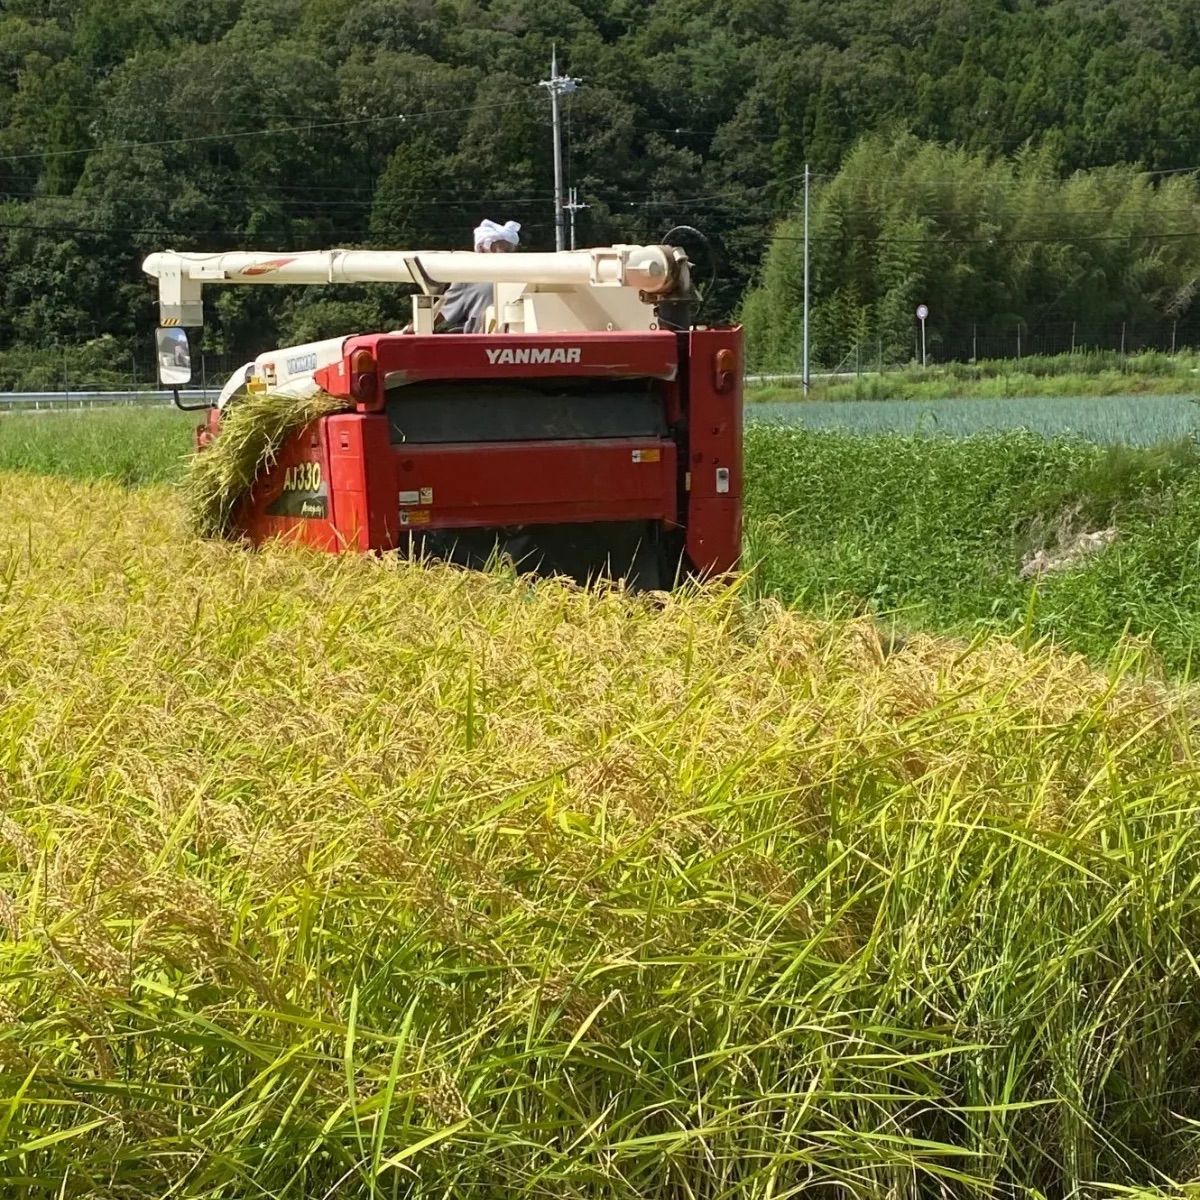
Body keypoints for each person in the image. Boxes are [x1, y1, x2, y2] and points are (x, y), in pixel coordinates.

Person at [435, 219, 521, 333]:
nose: (506, 253)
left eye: (509, 249)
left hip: (493, 342)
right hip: (489, 341)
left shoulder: (470, 276)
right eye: (500, 248)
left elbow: (443, 312)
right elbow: (444, 309)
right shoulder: (470, 276)